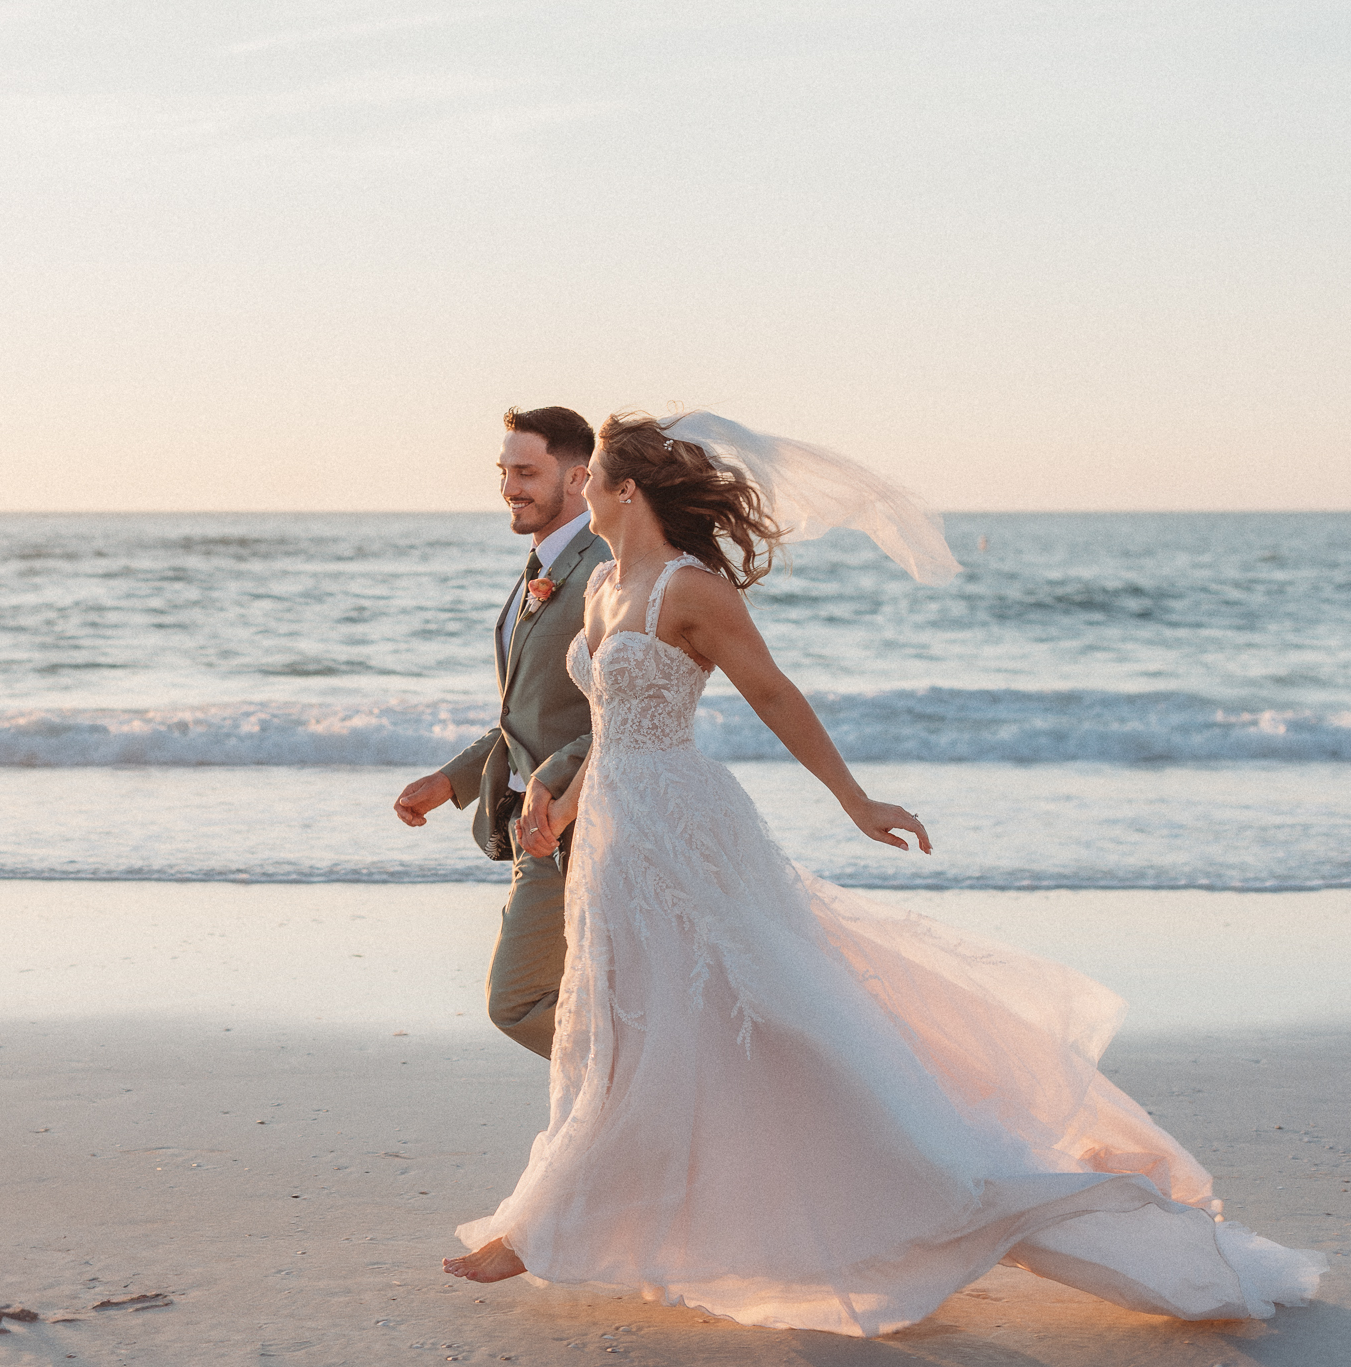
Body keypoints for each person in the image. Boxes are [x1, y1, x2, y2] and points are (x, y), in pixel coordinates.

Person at [440, 410, 1326, 1336]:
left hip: (686, 829)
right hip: (617, 839)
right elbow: (610, 735)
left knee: (763, 1017)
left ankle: (546, 1226)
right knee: (620, 1027)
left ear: (627, 491)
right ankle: (599, 1215)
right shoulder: (601, 591)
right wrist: (560, 809)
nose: (578, 491)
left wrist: (855, 801)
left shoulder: (690, 591)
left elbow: (776, 693)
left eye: (594, 480)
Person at [395, 406, 613, 1058]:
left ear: (578, 477)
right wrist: (451, 780)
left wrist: (552, 784)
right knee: (584, 990)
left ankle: (657, 1087)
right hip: (534, 819)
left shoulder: (601, 569)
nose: (509, 486)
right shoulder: (545, 565)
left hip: (570, 823)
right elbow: (531, 712)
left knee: (518, 1000)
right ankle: (615, 1129)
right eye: (504, 470)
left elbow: (616, 715)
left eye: (526, 471)